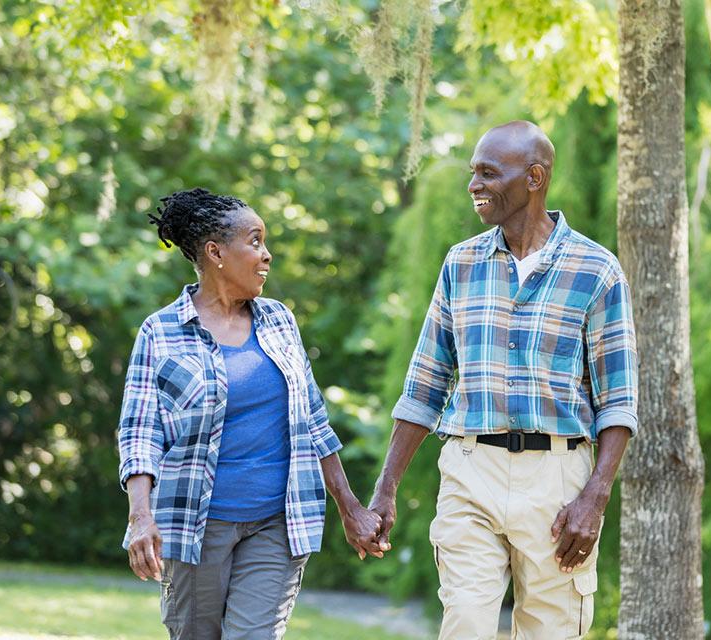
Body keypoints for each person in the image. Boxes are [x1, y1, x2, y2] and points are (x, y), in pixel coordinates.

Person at [368, 121, 639, 639]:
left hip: (559, 481)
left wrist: (595, 497)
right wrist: (386, 489)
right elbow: (424, 385)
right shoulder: (461, 264)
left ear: (534, 177)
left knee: (550, 630)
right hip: (472, 466)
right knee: (466, 623)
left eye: (489, 173)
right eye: (473, 172)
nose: (475, 184)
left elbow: (619, 401)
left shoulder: (596, 270)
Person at [117, 188, 383, 640]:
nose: (267, 255)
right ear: (215, 252)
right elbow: (140, 432)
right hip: (195, 525)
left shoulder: (278, 321)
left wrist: (350, 507)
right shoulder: (160, 332)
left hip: (276, 522)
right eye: (255, 241)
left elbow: (313, 421)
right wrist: (141, 516)